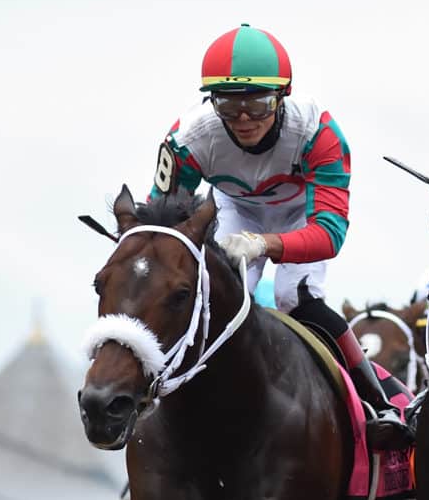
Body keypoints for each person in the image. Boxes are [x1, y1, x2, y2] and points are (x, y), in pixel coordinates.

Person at [148, 23, 410, 449]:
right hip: (233, 206)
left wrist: (266, 244)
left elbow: (329, 235)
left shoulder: (320, 132)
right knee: (213, 295)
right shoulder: (187, 140)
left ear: (283, 96)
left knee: (294, 296)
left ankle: (375, 401)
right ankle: (160, 395)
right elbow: (163, 225)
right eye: (229, 108)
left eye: (259, 104)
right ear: (210, 102)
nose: (245, 119)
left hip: (300, 211)